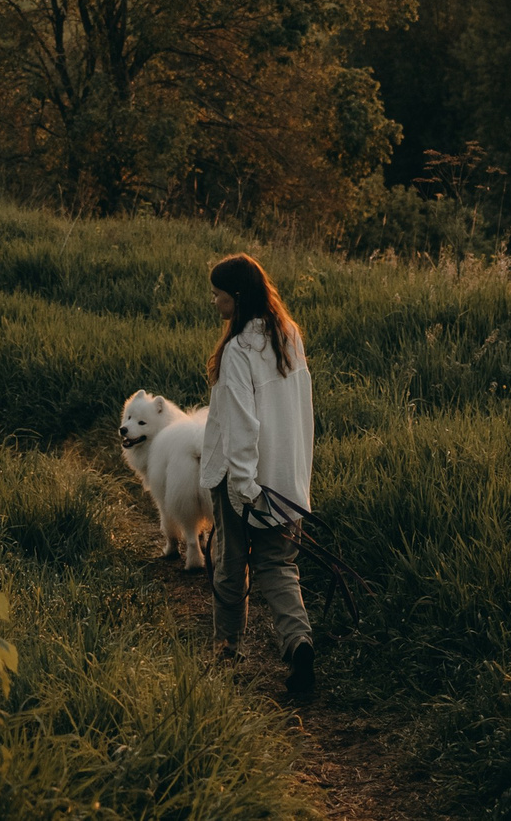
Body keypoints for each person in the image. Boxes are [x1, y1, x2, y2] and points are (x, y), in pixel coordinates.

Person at [198, 251, 317, 694]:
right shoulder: (289, 336)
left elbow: (242, 424)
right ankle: (298, 643)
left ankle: (225, 654)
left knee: (230, 564)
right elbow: (300, 411)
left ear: (238, 297)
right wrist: (293, 474)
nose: (215, 303)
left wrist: (244, 486)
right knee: (279, 565)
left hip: (243, 481)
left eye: (219, 295)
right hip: (285, 476)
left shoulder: (238, 351)